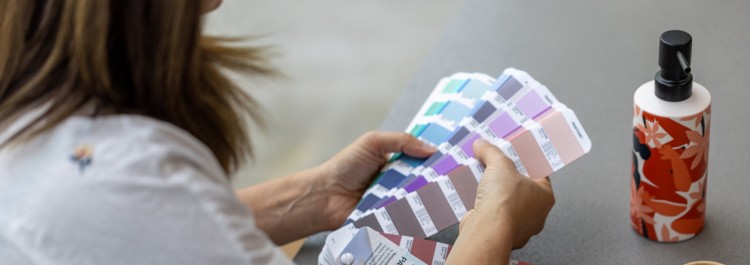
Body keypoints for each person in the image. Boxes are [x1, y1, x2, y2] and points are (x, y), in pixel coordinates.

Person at [0, 0, 555, 264]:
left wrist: (313, 198)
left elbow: (138, 235)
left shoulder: (40, 121)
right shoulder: (115, 173)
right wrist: (496, 221)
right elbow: (131, 205)